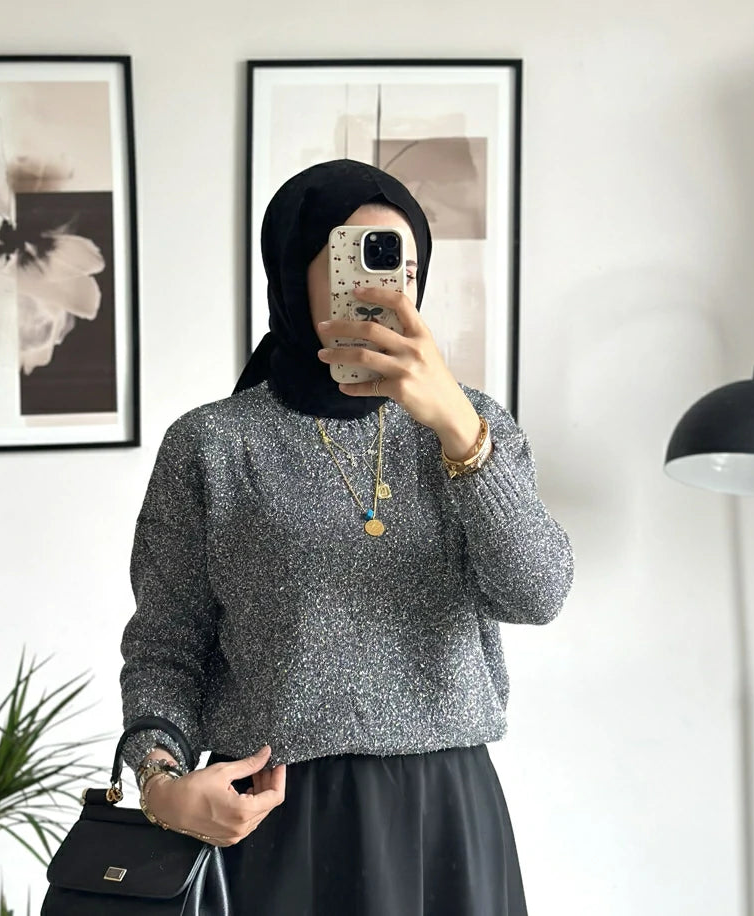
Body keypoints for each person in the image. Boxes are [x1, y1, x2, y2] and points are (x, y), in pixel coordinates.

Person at [120, 159, 574, 916]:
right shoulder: (212, 445)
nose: (379, 291)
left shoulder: (472, 426)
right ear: (293, 273)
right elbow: (166, 645)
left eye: (401, 270)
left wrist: (461, 433)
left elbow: (538, 595)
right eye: (352, 265)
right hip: (273, 820)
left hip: (445, 818)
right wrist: (161, 783)